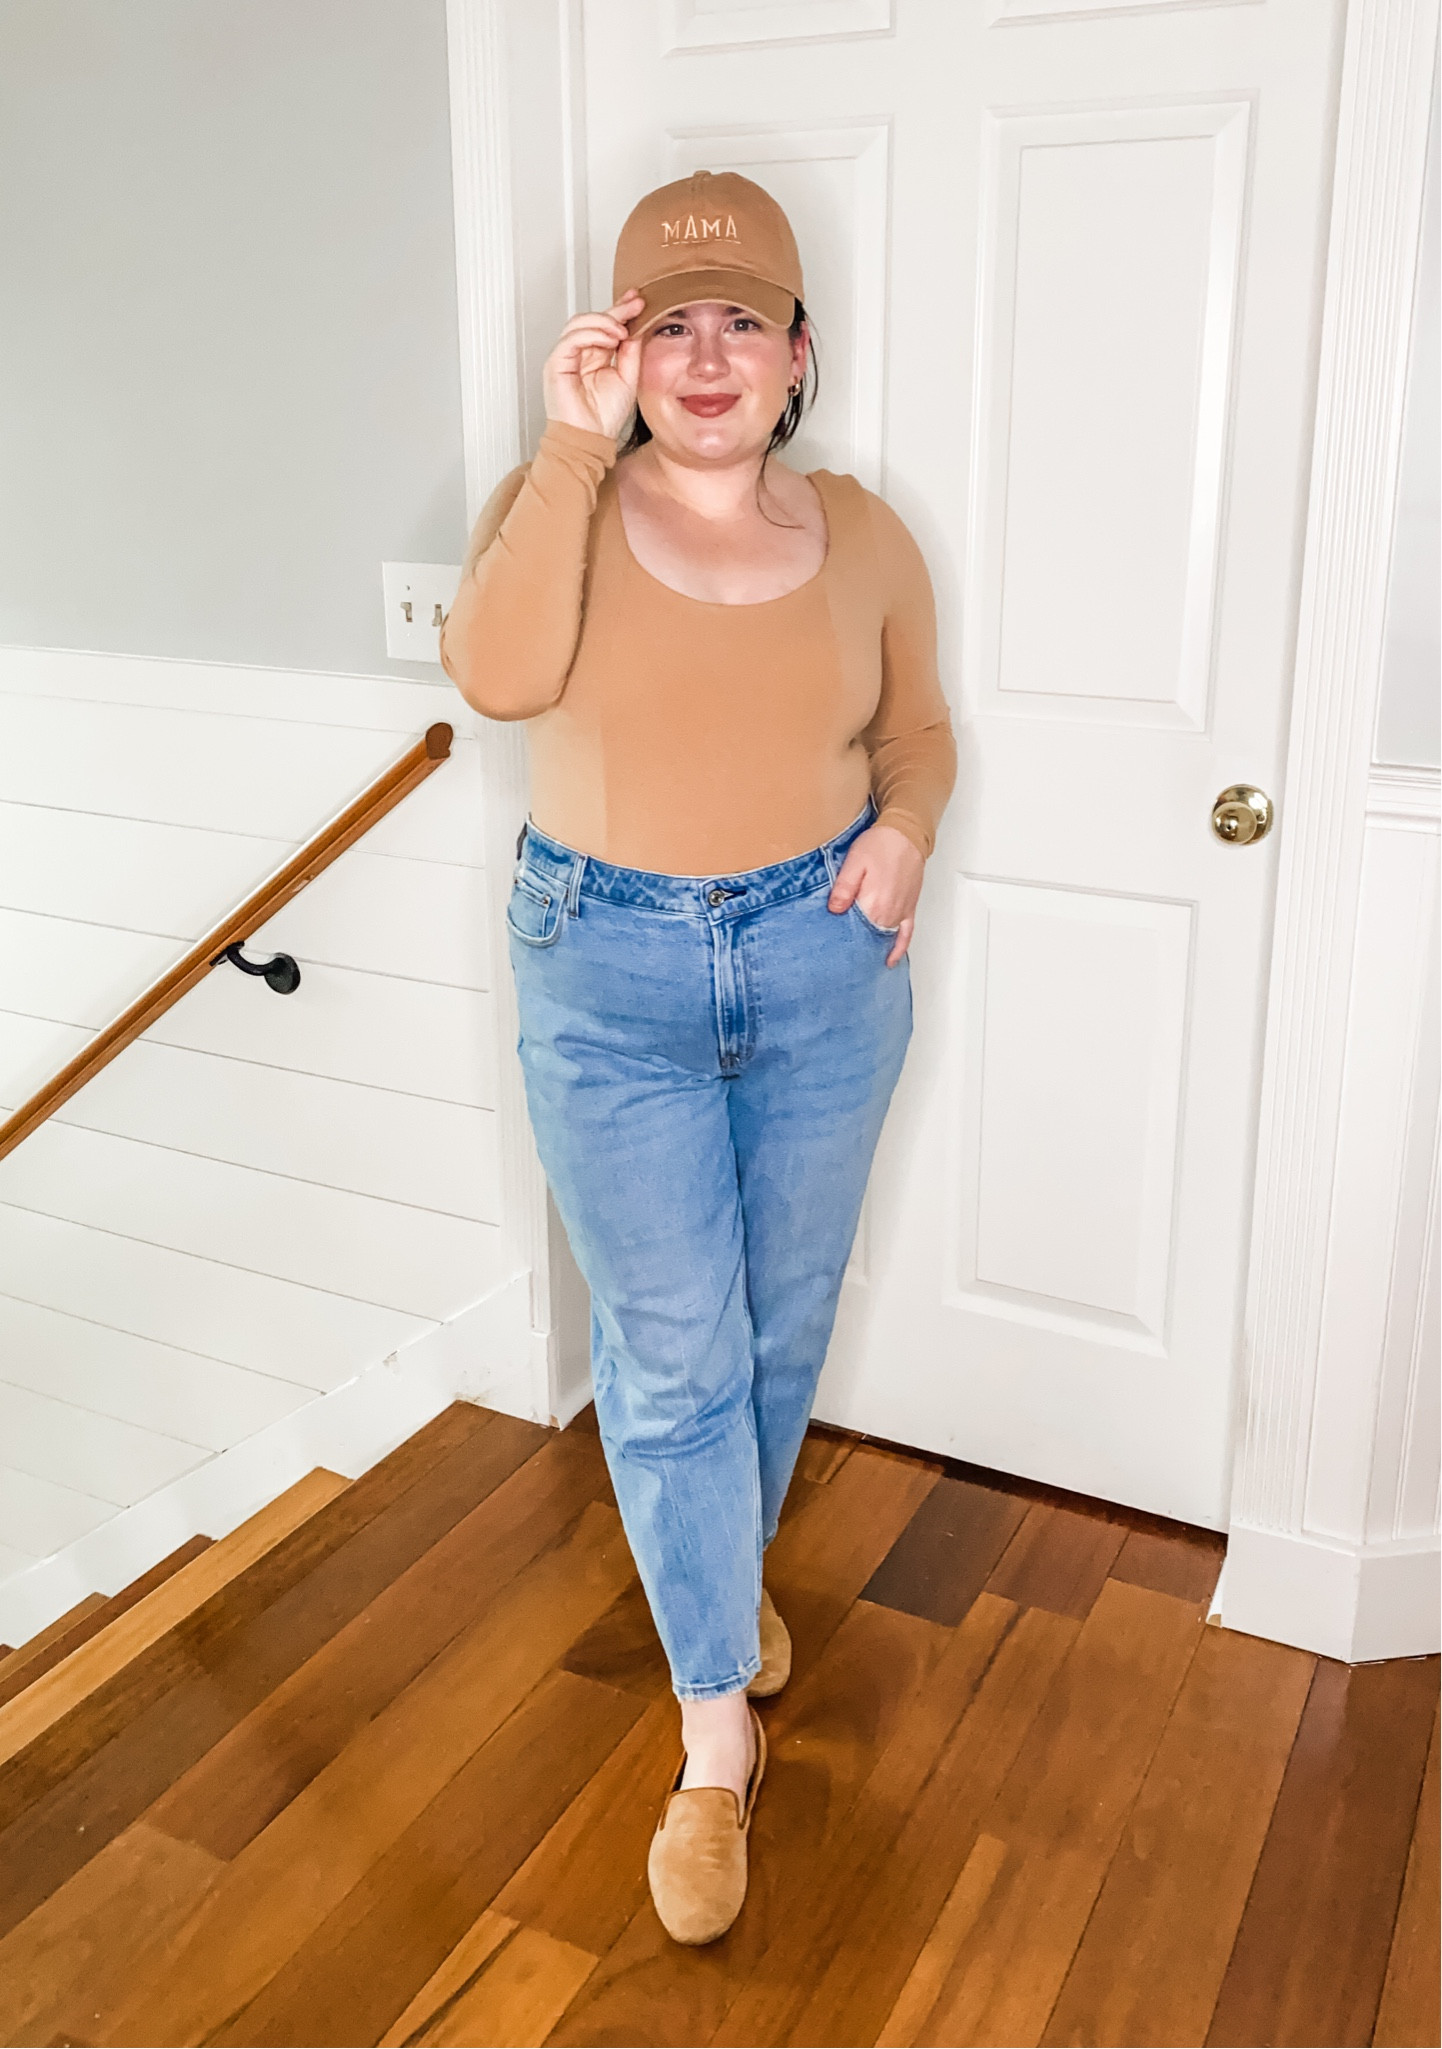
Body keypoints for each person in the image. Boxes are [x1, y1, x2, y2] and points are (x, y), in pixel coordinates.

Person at [440, 169, 955, 1945]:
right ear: (622, 348)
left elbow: (919, 732)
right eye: (671, 321)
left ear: (798, 353)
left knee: (777, 1331)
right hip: (611, 968)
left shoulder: (867, 533)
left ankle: (717, 1599)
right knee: (670, 1359)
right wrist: (569, 447)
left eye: (745, 319)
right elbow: (496, 680)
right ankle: (713, 1740)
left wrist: (904, 831)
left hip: (824, 968)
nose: (709, 353)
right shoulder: (556, 503)